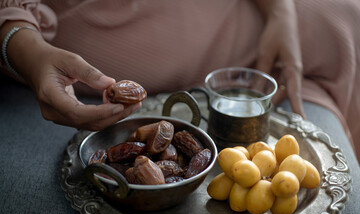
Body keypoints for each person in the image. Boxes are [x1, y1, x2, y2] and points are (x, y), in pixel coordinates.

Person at [0, 0, 359, 159]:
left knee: (346, 17)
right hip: (97, 19)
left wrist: (280, 10)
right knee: (345, 24)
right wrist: (23, 49)